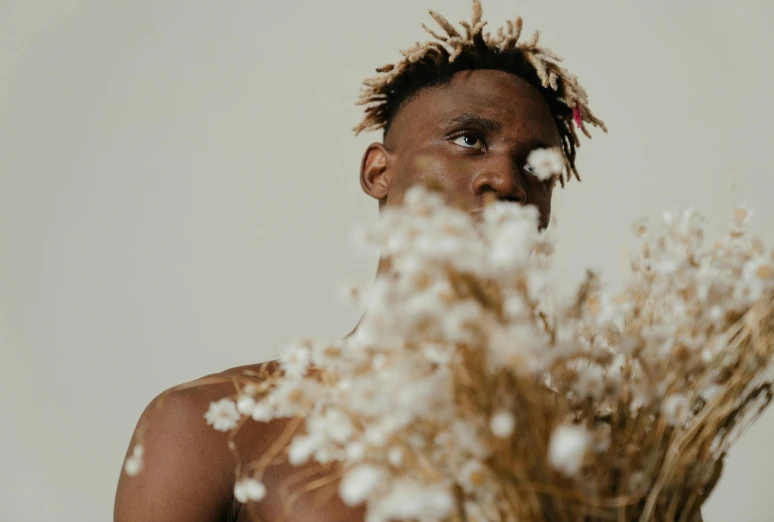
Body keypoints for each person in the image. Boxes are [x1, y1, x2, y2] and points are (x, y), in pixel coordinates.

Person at [113, 2, 605, 521]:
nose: (506, 181)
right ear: (378, 172)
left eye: (534, 166)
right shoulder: (216, 429)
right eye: (468, 140)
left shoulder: (603, 454)